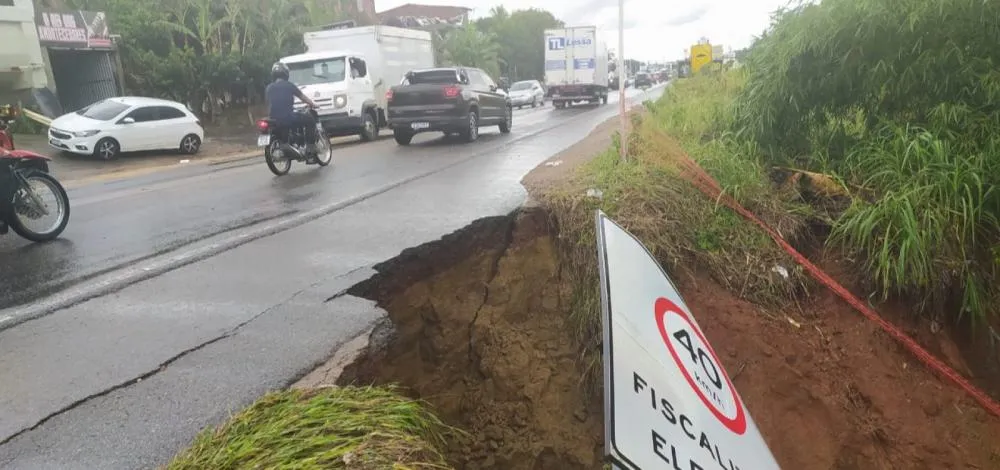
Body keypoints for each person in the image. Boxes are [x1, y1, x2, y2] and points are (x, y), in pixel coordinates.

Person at [266, 62, 320, 154]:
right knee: (309, 119)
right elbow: (303, 98)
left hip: (273, 118)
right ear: (286, 74)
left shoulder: (269, 87)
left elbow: (269, 103)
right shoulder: (289, 85)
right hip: (288, 116)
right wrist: (312, 104)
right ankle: (310, 146)